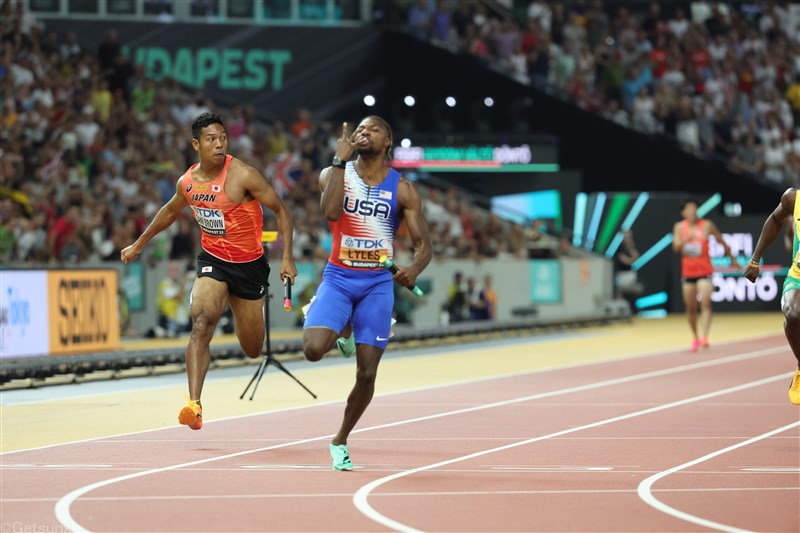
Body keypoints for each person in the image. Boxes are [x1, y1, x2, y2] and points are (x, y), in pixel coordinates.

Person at [121, 112, 297, 430]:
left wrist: (287, 257)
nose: (219, 144)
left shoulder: (243, 175)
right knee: (202, 323)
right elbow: (170, 211)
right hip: (213, 261)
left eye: (223, 138)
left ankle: (239, 307)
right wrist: (139, 243)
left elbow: (281, 210)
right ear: (196, 144)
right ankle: (194, 406)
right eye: (211, 139)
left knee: (253, 348)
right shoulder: (187, 182)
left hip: (249, 267)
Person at [302, 116, 432, 471]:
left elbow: (424, 246)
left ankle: (340, 440)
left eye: (372, 129)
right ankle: (340, 324)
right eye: (359, 129)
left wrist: (414, 269)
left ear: (388, 140)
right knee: (313, 350)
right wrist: (338, 161)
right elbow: (329, 213)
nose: (363, 133)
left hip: (377, 284)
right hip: (339, 277)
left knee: (367, 374)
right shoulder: (334, 174)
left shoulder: (403, 188)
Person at [743, 188, 800, 405]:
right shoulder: (793, 198)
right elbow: (776, 219)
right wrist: (755, 259)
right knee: (793, 314)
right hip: (799, 274)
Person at [672, 199, 735, 352]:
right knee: (690, 307)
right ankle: (695, 337)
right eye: (689, 209)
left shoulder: (706, 225)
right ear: (683, 212)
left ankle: (705, 337)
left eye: (695, 208)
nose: (693, 211)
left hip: (705, 271)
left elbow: (721, 240)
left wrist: (732, 259)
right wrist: (685, 240)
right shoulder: (680, 227)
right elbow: (676, 247)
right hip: (688, 273)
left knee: (705, 302)